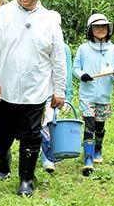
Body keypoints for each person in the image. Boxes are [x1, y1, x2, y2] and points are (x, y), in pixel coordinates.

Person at [0, 0, 66, 197]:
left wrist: (59, 90)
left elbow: (58, 59)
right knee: (0, 136)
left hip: (35, 90)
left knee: (31, 136)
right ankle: (3, 158)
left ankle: (26, 179)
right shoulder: (2, 15)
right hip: (4, 89)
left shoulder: (49, 21)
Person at [73, 13, 114, 176]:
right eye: (97, 26)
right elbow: (75, 69)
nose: (100, 29)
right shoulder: (83, 48)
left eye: (103, 26)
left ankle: (97, 148)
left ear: (108, 29)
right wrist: (82, 75)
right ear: (90, 29)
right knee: (89, 125)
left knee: (100, 126)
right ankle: (87, 158)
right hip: (87, 95)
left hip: (104, 96)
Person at [39, 42, 73, 174]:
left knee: (49, 123)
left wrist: (67, 95)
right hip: (34, 92)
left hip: (54, 93)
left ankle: (47, 156)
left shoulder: (64, 48)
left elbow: (67, 72)